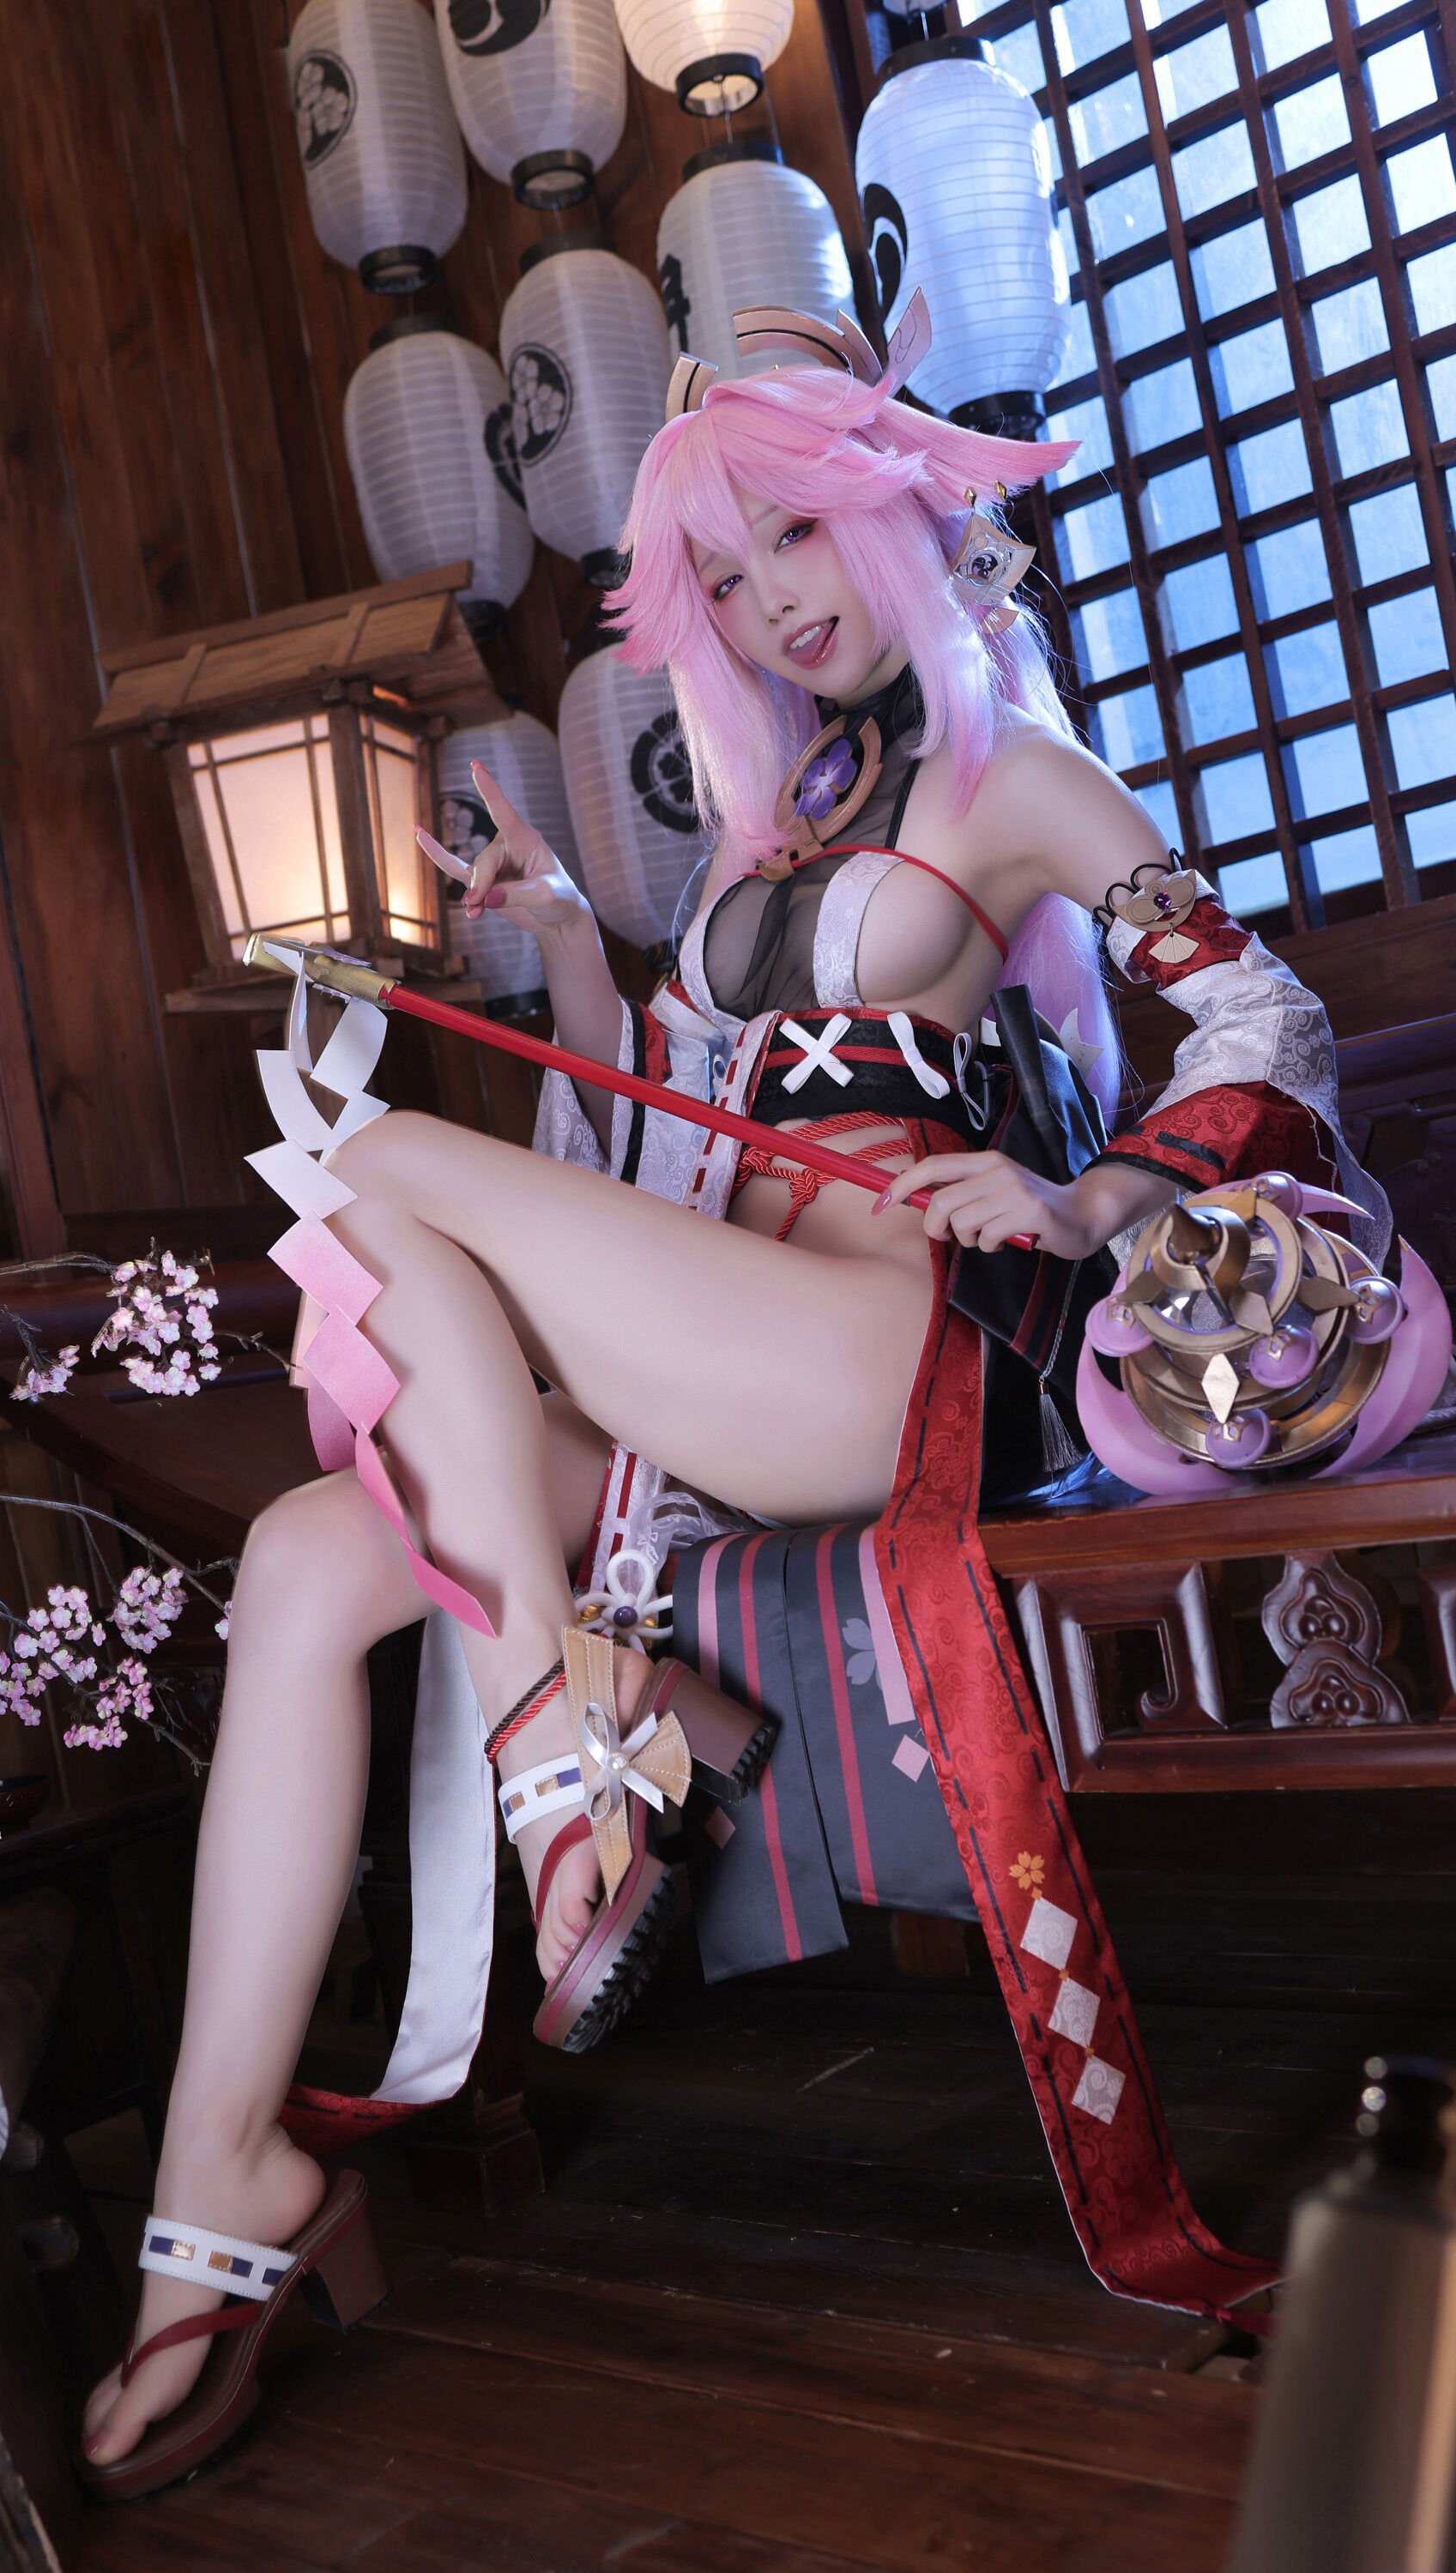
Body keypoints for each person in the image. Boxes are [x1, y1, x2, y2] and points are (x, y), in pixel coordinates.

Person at [81, 309, 1380, 2495]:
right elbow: (657, 1161)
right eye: (724, 571)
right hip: (721, 1356)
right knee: (302, 1565)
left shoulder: (1016, 777)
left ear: (891, 507)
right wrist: (581, 960)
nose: (773, 600)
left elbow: (1263, 1012)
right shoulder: (774, 835)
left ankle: (563, 1745)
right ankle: (223, 2185)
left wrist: (1092, 1194)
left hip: (884, 1357)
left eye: (794, 534)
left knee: (365, 1156)